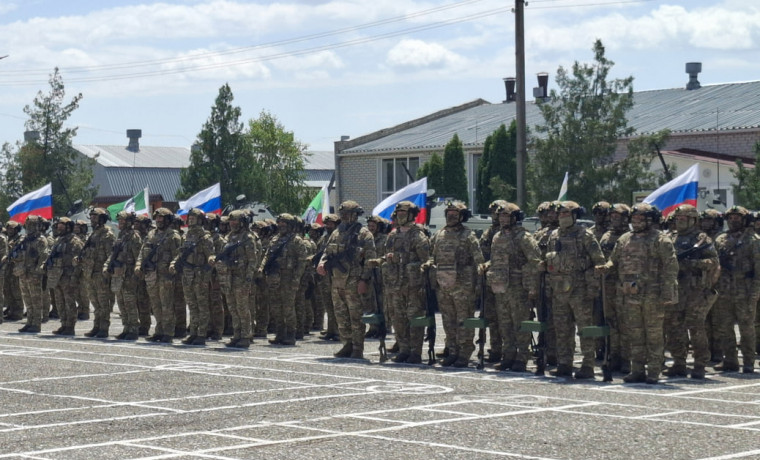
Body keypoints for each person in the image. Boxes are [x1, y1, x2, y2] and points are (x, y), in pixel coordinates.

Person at [600, 203, 678, 384]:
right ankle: (637, 370)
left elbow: (671, 267)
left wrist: (668, 291)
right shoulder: (625, 238)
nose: (636, 222)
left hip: (653, 294)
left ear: (650, 220)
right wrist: (606, 267)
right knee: (634, 333)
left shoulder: (661, 240)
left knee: (653, 334)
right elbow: (614, 260)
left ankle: (654, 370)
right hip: (630, 294)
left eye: (640, 219)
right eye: (634, 218)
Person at [544, 201, 605, 379]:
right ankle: (564, 363)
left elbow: (598, 261)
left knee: (585, 329)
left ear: (575, 216)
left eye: (566, 214)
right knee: (562, 328)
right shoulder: (553, 235)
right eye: (560, 214)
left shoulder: (585, 235)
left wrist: (592, 286)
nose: (562, 217)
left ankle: (588, 364)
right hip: (559, 289)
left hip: (580, 290)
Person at [480, 202, 541, 372]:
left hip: (518, 288)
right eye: (501, 216)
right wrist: (486, 265)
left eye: (506, 216)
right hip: (500, 287)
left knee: (520, 324)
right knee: (504, 325)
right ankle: (508, 356)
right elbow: (496, 259)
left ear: (515, 218)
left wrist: (532, 287)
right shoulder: (497, 237)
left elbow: (535, 261)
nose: (503, 219)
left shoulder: (523, 237)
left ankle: (522, 357)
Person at [423, 201, 484, 368]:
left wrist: (478, 282)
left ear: (462, 216)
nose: (451, 217)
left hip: (463, 286)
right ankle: (452, 351)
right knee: (448, 320)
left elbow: (478, 259)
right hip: (443, 284)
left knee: (463, 320)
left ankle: (464, 353)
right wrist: (428, 264)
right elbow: (432, 256)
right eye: (448, 213)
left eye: (455, 214)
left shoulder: (468, 235)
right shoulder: (439, 234)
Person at [369, 201, 430, 364]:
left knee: (414, 319)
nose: (400, 216)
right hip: (395, 284)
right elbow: (388, 255)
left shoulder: (418, 236)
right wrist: (380, 260)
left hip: (412, 286)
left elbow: (426, 260)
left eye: (404, 213)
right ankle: (403, 349)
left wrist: (403, 260)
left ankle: (415, 352)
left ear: (411, 215)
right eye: (399, 213)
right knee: (398, 319)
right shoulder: (393, 235)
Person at [664, 204, 720, 379]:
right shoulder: (670, 237)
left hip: (696, 290)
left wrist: (691, 264)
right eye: (678, 219)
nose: (679, 221)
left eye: (683, 219)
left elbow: (713, 262)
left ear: (692, 220)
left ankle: (700, 363)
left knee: (695, 327)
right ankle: (679, 362)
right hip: (675, 289)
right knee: (674, 326)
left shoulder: (702, 239)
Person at [317, 201, 377, 360]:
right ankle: (347, 344)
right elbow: (327, 252)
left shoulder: (364, 234)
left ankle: (357, 348)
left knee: (356, 317)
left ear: (355, 215)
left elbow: (370, 260)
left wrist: (364, 280)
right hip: (336, 281)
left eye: (347, 214)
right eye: (342, 214)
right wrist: (322, 263)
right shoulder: (336, 233)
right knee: (341, 316)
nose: (344, 217)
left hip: (354, 282)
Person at [713, 206, 760, 373]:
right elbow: (715, 265)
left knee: (746, 328)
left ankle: (748, 361)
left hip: (745, 291)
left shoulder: (754, 240)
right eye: (731, 218)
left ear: (745, 220)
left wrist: (755, 292)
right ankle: (730, 360)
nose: (734, 221)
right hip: (724, 291)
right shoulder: (721, 239)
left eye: (737, 217)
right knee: (725, 327)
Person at [214, 210, 261, 348]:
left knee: (242, 308)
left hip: (242, 278)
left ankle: (246, 336)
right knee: (233, 308)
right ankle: (237, 334)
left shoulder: (248, 238)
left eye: (235, 221)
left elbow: (252, 261)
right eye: (231, 221)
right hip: (229, 277)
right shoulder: (229, 237)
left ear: (242, 222)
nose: (232, 223)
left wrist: (248, 278)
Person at [135, 208, 182, 343]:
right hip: (151, 275)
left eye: (162, 218)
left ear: (168, 220)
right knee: (155, 305)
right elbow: (142, 252)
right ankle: (159, 331)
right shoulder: (151, 235)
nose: (159, 220)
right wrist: (138, 265)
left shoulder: (173, 236)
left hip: (166, 276)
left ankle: (168, 332)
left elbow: (178, 255)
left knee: (167, 305)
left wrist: (172, 265)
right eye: (157, 218)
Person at [171, 208, 215, 346]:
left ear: (200, 220)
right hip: (187, 275)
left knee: (202, 305)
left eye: (193, 218)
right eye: (189, 218)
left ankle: (201, 334)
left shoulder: (205, 237)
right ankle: (193, 332)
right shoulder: (186, 236)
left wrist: (211, 259)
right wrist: (173, 263)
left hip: (199, 275)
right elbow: (180, 253)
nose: (190, 220)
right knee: (192, 305)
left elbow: (210, 254)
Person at [261, 213, 305, 346]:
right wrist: (262, 268)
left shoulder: (297, 241)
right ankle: (280, 333)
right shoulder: (274, 240)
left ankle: (291, 334)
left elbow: (301, 262)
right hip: (274, 278)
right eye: (279, 223)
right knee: (276, 307)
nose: (281, 226)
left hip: (289, 278)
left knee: (288, 307)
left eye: (284, 223)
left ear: (290, 225)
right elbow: (267, 256)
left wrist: (296, 279)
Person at [598, 203, 633, 374]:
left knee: (625, 323)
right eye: (612, 216)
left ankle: (627, 359)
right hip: (608, 285)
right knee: (611, 323)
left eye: (617, 216)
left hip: (625, 286)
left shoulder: (631, 237)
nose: (614, 219)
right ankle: (614, 356)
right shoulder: (606, 236)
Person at [104, 211, 142, 340]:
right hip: (118, 273)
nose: (120, 223)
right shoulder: (120, 236)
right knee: (121, 302)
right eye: (119, 220)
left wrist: (136, 272)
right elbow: (113, 253)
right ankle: (126, 327)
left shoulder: (134, 237)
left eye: (123, 220)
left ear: (129, 222)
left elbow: (138, 256)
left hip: (129, 274)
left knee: (130, 302)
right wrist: (107, 266)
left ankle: (133, 329)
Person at [479, 200, 508, 363]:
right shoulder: (489, 232)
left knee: (506, 317)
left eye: (499, 213)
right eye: (494, 213)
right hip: (490, 280)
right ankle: (495, 349)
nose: (496, 216)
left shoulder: (510, 233)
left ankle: (509, 350)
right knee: (491, 317)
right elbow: (481, 253)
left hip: (505, 280)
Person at [79, 208, 116, 338]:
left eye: (95, 217)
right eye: (92, 217)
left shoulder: (107, 235)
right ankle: (97, 326)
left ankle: (103, 328)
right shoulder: (93, 234)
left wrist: (106, 271)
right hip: (90, 273)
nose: (92, 219)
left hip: (101, 274)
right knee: (95, 303)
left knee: (103, 302)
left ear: (102, 219)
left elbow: (111, 255)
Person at [47, 217, 84, 336]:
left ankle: (70, 326)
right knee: (59, 302)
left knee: (69, 302)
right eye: (58, 225)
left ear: (68, 227)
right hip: (57, 275)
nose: (59, 227)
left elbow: (80, 261)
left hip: (68, 276)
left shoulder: (75, 242)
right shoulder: (59, 240)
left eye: (62, 225)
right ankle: (63, 324)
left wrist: (75, 277)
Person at [14, 215, 49, 333]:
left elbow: (44, 256)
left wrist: (38, 270)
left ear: (38, 226)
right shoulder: (23, 239)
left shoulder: (40, 240)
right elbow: (18, 253)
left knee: (36, 300)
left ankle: (36, 324)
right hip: (23, 273)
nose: (29, 227)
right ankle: (29, 322)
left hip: (34, 274)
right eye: (28, 225)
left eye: (32, 225)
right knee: (27, 300)